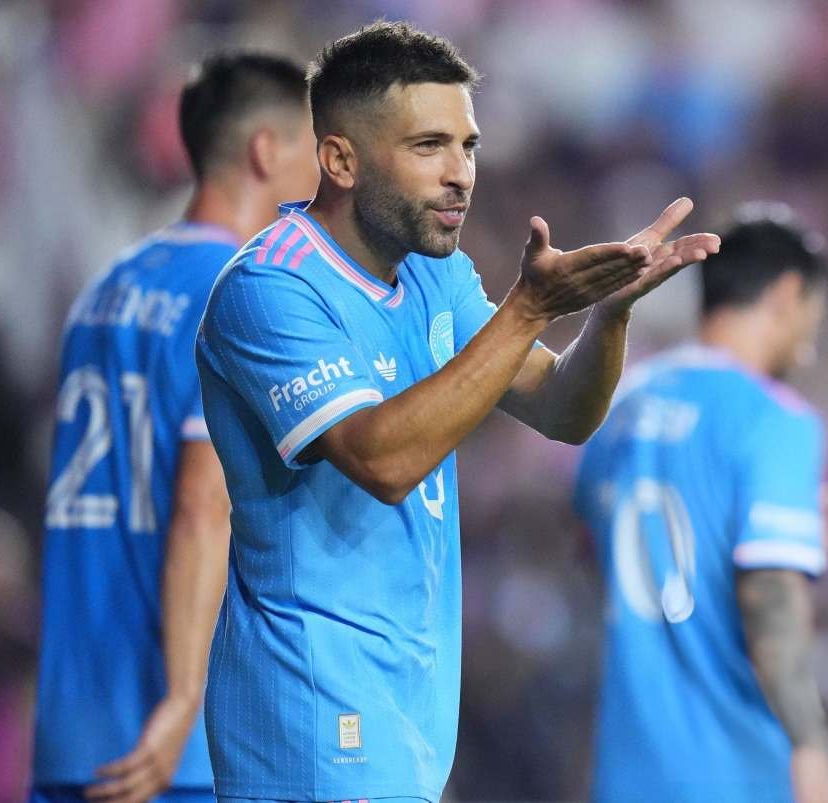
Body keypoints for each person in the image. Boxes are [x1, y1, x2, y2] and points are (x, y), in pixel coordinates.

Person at [194, 20, 720, 803]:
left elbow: (562, 410)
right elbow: (383, 460)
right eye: (428, 146)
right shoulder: (272, 286)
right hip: (312, 712)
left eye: (467, 146)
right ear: (340, 160)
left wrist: (608, 315)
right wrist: (528, 308)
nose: (460, 174)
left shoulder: (434, 276)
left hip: (402, 714)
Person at [31, 53, 319, 803]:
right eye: (317, 148)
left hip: (74, 730)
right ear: (266, 151)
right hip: (174, 745)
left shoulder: (103, 291)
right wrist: (185, 696)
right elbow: (202, 506)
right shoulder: (236, 292)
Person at [575, 203, 828, 803]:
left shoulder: (623, 404)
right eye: (815, 314)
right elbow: (772, 606)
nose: (812, 341)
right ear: (788, 294)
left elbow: (601, 543)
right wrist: (809, 750)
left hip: (629, 770)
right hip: (736, 770)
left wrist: (779, 525)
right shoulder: (775, 419)